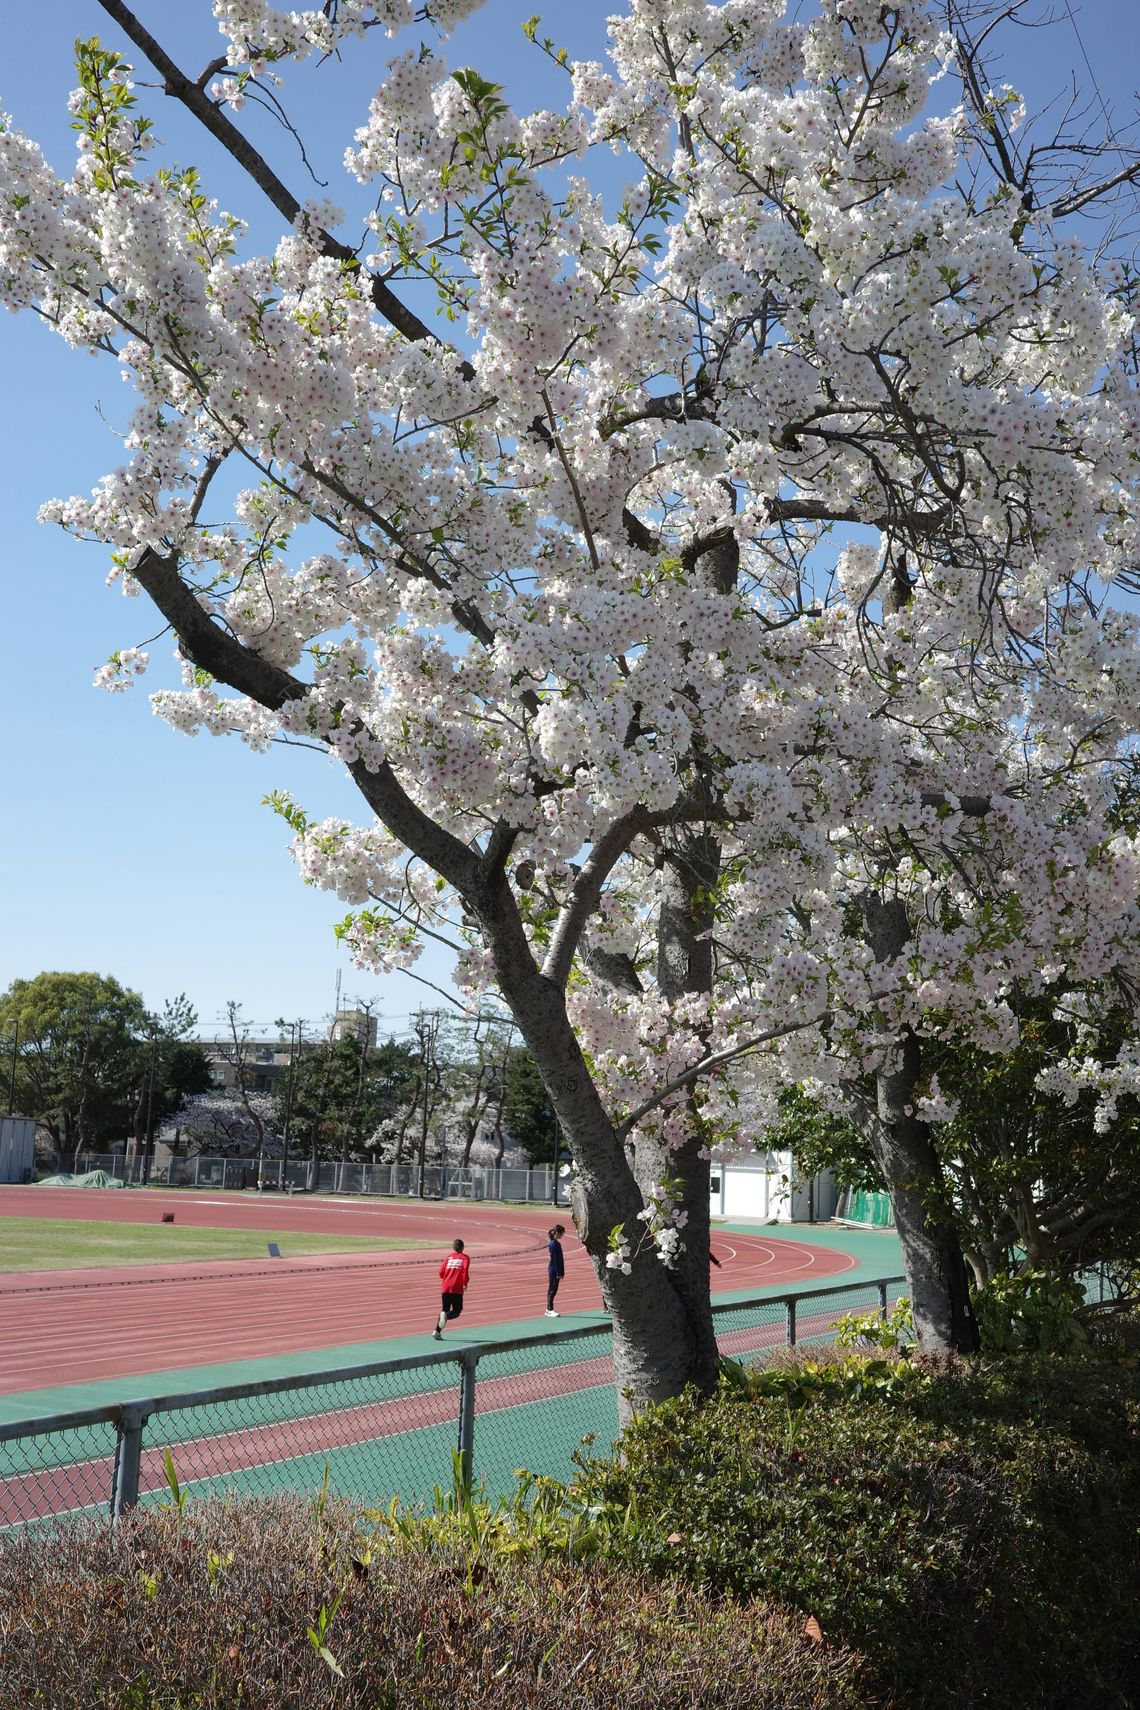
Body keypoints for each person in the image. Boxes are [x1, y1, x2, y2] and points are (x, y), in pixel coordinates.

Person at [433, 1238, 470, 1339]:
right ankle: (445, 1318)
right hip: (456, 1288)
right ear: (462, 1247)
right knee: (457, 1310)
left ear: (453, 1247)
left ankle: (437, 1332)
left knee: (444, 1310)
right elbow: (465, 1271)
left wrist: (446, 1278)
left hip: (445, 1287)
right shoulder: (465, 1258)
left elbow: (441, 1272)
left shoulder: (448, 1257)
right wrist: (465, 1283)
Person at [545, 1224, 566, 1317]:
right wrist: (558, 1272)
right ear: (557, 1233)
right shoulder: (554, 1244)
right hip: (554, 1270)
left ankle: (549, 1309)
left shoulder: (555, 1243)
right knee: (552, 1290)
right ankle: (549, 1309)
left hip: (555, 1270)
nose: (562, 1236)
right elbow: (556, 1259)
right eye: (561, 1234)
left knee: (553, 1290)